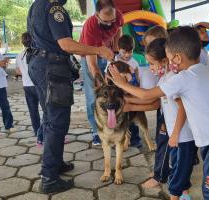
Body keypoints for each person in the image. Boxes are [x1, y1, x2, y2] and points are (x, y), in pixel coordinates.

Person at [109, 26, 209, 200]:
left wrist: (121, 83)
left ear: (177, 58)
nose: (169, 63)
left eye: (169, 58)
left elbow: (147, 95)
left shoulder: (183, 78)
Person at [27, 0, 114, 194]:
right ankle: (49, 178)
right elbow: (65, 44)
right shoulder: (55, 8)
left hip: (39, 64)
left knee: (51, 119)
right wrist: (98, 50)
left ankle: (55, 164)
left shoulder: (37, 5)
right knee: (57, 122)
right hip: (51, 68)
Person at [147, 38, 196, 200]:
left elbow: (183, 108)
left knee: (178, 172)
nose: (151, 68)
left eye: (152, 63)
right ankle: (185, 195)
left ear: (164, 60)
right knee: (180, 170)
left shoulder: (173, 80)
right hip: (178, 135)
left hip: (182, 136)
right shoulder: (165, 78)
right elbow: (152, 100)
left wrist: (174, 134)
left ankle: (178, 196)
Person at [79, 0, 124, 146]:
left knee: (112, 93)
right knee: (94, 96)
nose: (110, 23)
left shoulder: (117, 16)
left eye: (112, 20)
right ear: (97, 15)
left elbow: (118, 30)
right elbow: (93, 64)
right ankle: (96, 131)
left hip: (107, 53)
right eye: (106, 21)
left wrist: (116, 52)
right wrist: (102, 84)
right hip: (90, 56)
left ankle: (113, 126)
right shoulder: (90, 27)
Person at [140, 26, 170, 189]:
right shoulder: (163, 74)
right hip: (165, 112)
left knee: (164, 142)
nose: (149, 50)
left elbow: (150, 98)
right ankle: (161, 170)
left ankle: (160, 175)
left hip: (171, 118)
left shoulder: (171, 77)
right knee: (162, 141)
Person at [15, 32, 43, 147]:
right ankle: (45, 133)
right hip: (38, 85)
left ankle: (37, 131)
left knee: (33, 111)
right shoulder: (37, 53)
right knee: (46, 110)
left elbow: (17, 71)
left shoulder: (19, 54)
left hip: (26, 86)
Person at [114, 35, 142, 147]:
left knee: (132, 117)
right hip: (118, 95)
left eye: (130, 52)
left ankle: (135, 139)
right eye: (124, 52)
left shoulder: (134, 63)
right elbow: (108, 76)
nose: (127, 55)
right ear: (118, 48)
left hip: (131, 93)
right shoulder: (114, 60)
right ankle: (120, 139)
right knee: (119, 117)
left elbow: (138, 79)